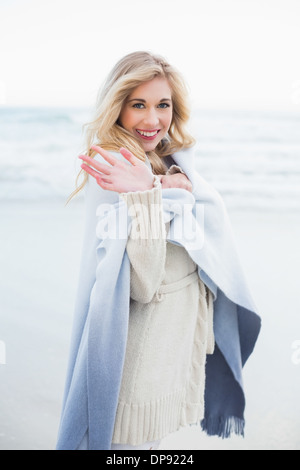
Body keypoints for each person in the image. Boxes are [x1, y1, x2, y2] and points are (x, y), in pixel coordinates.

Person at [56, 51, 261, 451]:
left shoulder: (170, 158)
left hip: (172, 349)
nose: (152, 120)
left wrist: (174, 182)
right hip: (139, 365)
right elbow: (142, 283)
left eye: (162, 105)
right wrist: (148, 194)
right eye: (138, 105)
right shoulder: (113, 167)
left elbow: (206, 227)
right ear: (118, 107)